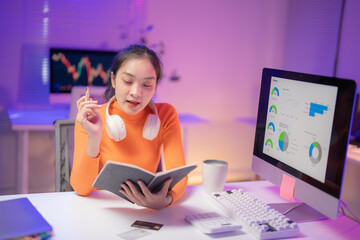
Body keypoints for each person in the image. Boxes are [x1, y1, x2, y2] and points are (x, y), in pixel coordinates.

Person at [70, 44, 186, 209]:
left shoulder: (165, 114)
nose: (136, 92)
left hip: (143, 209)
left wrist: (166, 199)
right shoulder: (91, 118)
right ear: (113, 79)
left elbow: (178, 175)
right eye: (128, 81)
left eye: (147, 85)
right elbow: (81, 188)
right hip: (99, 208)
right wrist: (94, 137)